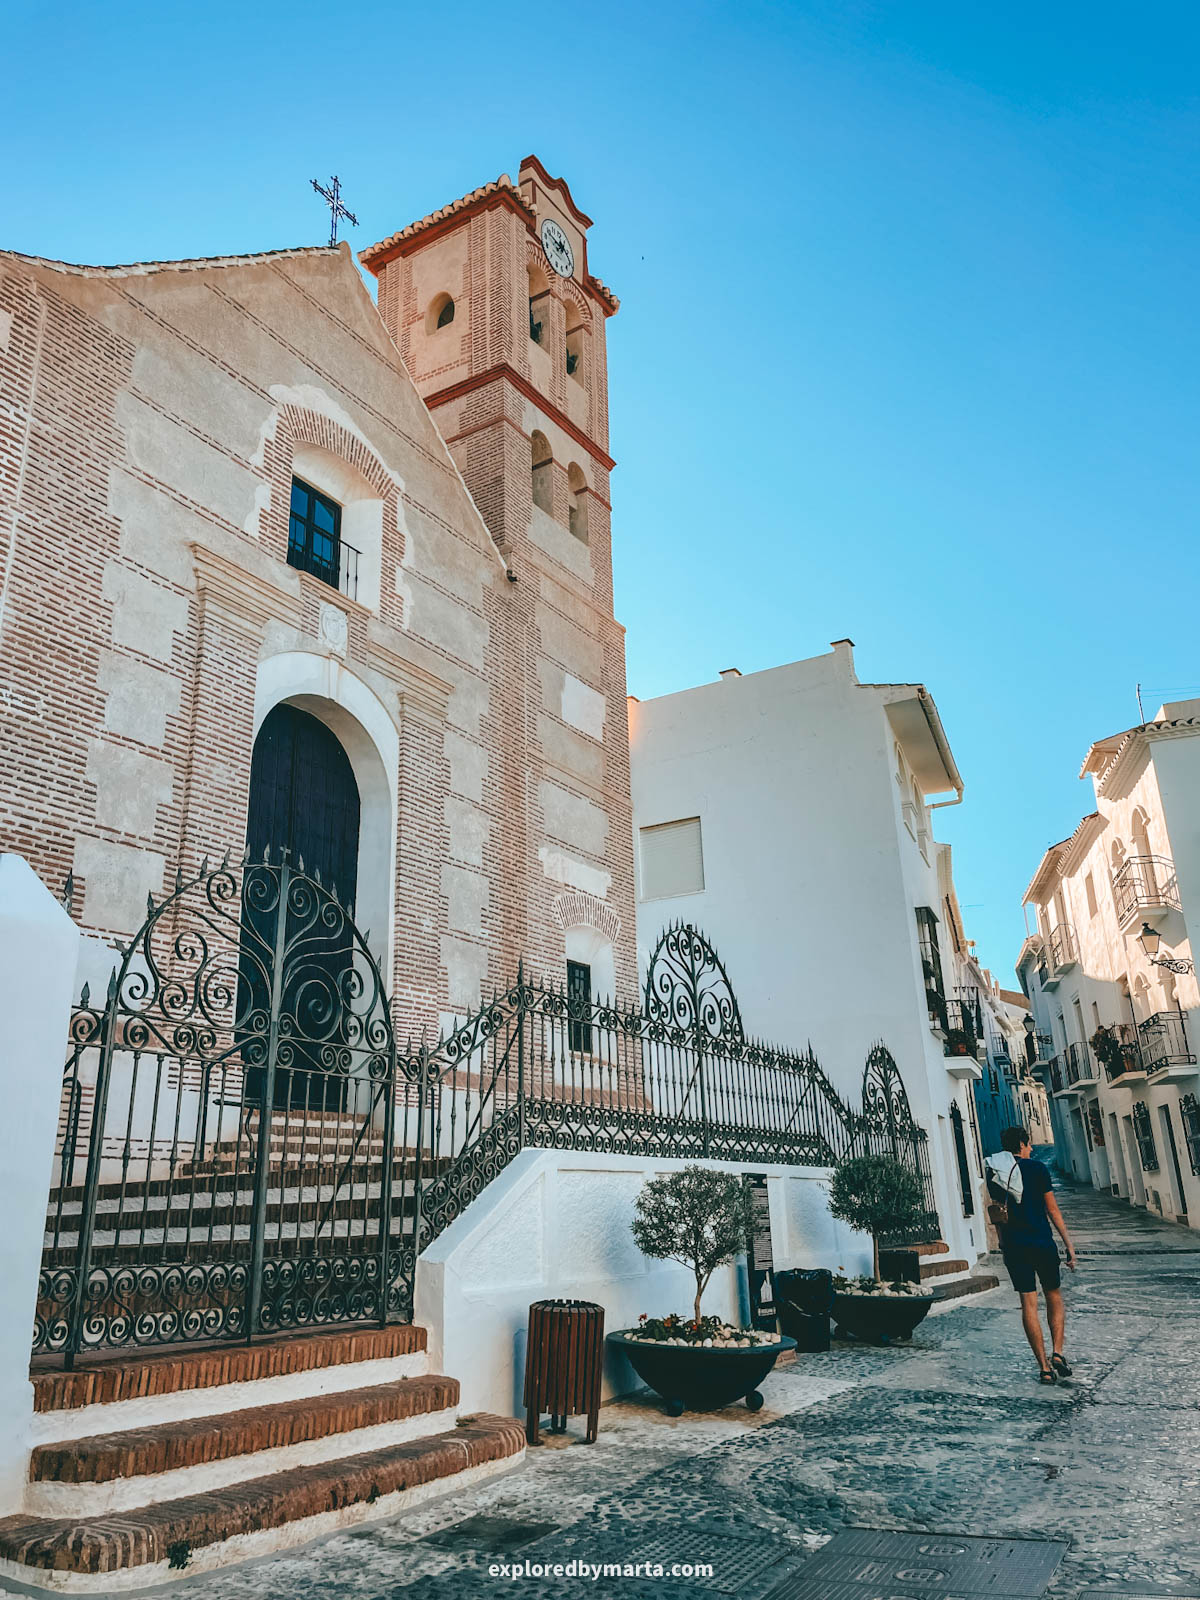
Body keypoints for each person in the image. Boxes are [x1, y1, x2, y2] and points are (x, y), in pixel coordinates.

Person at [987, 1126, 1077, 1384]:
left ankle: (1044, 1367)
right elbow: (1053, 1210)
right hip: (1041, 1242)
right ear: (1023, 1144)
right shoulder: (1037, 1169)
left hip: (1015, 1246)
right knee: (1054, 1296)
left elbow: (997, 1215)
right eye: (1029, 1145)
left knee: (1028, 1303)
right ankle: (1057, 1352)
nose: (1032, 1149)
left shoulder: (996, 1172)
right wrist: (1068, 1244)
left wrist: (1004, 1244)